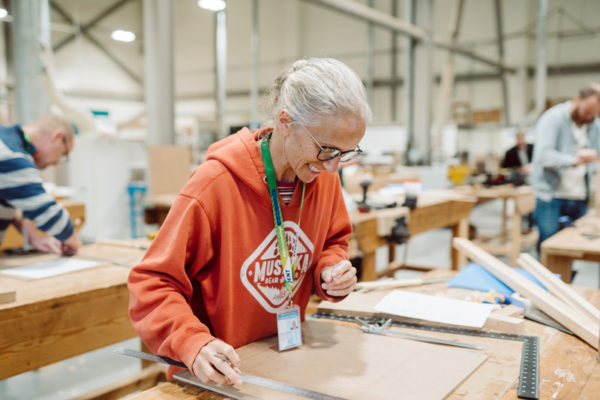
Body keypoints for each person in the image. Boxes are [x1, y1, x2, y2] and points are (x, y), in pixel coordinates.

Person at [128, 58, 370, 386]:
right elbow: (152, 282)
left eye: (346, 153)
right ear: (286, 122)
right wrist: (192, 342)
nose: (333, 168)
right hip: (219, 377)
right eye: (326, 149)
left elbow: (333, 241)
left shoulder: (322, 177)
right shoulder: (214, 185)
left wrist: (331, 269)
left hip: (285, 361)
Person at [531, 84, 600, 254]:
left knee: (574, 249)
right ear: (578, 99)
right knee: (549, 249)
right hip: (551, 197)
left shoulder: (594, 125)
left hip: (579, 196)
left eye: (595, 112)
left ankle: (566, 280)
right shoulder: (553, 118)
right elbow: (543, 155)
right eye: (588, 110)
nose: (590, 116)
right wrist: (575, 159)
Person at [0, 113, 81, 255]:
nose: (56, 163)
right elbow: (46, 210)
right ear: (57, 137)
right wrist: (71, 238)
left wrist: (33, 237)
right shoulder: (12, 155)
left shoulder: (5, 141)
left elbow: (9, 201)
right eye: (63, 154)